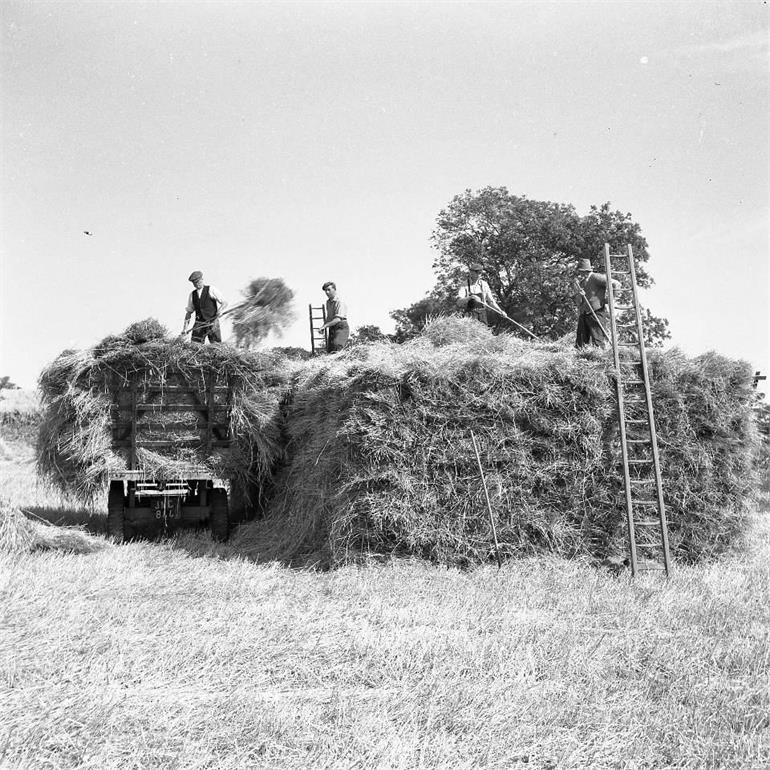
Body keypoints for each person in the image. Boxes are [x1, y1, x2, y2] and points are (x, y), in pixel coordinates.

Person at [573, 258, 620, 348]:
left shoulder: (596, 277)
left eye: (580, 271)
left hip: (596, 312)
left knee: (597, 339)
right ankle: (581, 358)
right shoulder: (582, 283)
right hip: (584, 314)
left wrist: (609, 299)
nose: (579, 273)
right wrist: (578, 294)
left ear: (585, 270)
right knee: (581, 341)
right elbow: (578, 302)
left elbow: (615, 284)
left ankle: (600, 357)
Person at [182, 271, 228, 343]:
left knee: (216, 346)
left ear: (202, 280)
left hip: (212, 322)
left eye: (198, 282)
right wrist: (184, 328)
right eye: (194, 283)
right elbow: (189, 313)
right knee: (194, 346)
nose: (197, 284)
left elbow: (224, 302)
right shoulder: (192, 295)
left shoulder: (211, 289)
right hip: (199, 324)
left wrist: (220, 310)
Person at [317, 281, 349, 353]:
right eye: (325, 290)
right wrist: (323, 327)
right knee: (330, 351)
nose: (327, 292)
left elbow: (338, 319)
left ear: (334, 289)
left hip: (341, 326)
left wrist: (325, 326)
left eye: (329, 290)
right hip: (332, 327)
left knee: (337, 346)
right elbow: (329, 318)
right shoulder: (328, 302)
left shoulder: (339, 301)